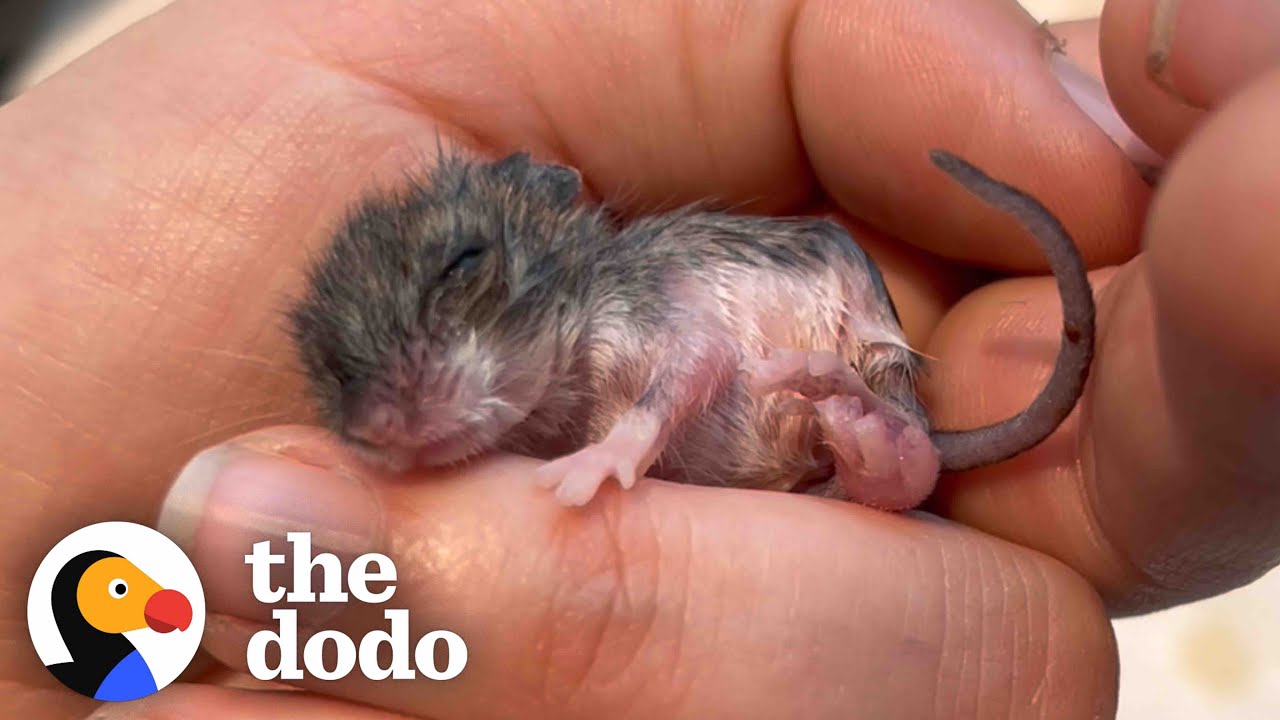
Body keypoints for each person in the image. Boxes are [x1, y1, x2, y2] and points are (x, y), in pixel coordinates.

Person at [3, 0, 1277, 717]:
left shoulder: (613, 301)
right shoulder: (488, 428)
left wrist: (624, 442)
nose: (396, 410)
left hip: (826, 344)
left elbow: (677, 368)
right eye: (353, 382)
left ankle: (856, 425)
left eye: (455, 302)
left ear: (544, 221)